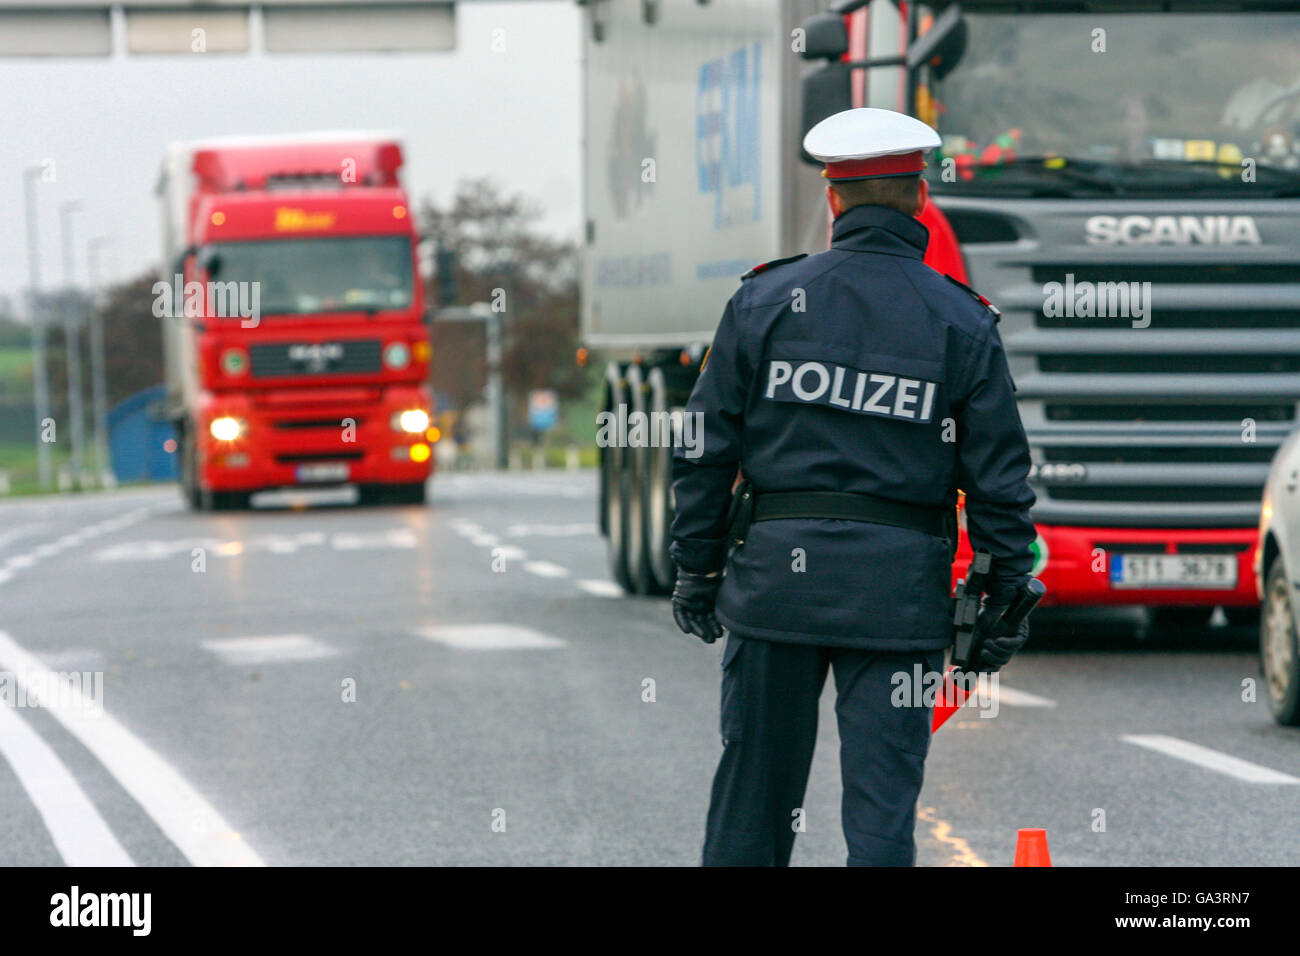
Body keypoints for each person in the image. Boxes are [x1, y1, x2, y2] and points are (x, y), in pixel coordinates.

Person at [668, 107, 1036, 867]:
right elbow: (999, 480)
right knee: (881, 815)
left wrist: (697, 569)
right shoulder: (961, 322)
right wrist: (1002, 592)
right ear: (920, 200)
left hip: (775, 592)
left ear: (833, 199)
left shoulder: (763, 302)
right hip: (896, 600)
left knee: (753, 803)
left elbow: (705, 450)